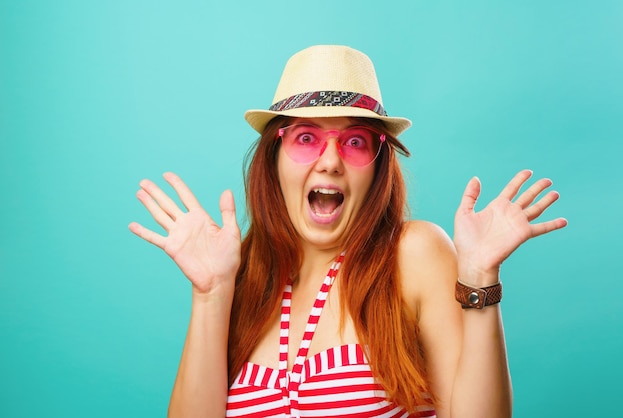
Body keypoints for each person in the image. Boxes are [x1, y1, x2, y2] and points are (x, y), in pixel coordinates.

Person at [129, 45, 567, 418]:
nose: (331, 161)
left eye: (355, 141)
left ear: (378, 168)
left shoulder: (412, 254)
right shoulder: (240, 279)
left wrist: (479, 277)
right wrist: (210, 295)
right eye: (306, 138)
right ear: (273, 158)